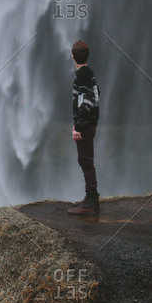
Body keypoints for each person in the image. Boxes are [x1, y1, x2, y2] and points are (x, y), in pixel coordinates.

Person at [68, 40, 100, 215]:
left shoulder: (82, 74)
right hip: (89, 123)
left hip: (86, 125)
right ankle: (90, 198)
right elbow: (96, 93)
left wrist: (78, 127)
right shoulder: (89, 72)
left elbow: (86, 102)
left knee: (86, 162)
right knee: (85, 161)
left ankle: (91, 202)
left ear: (73, 57)